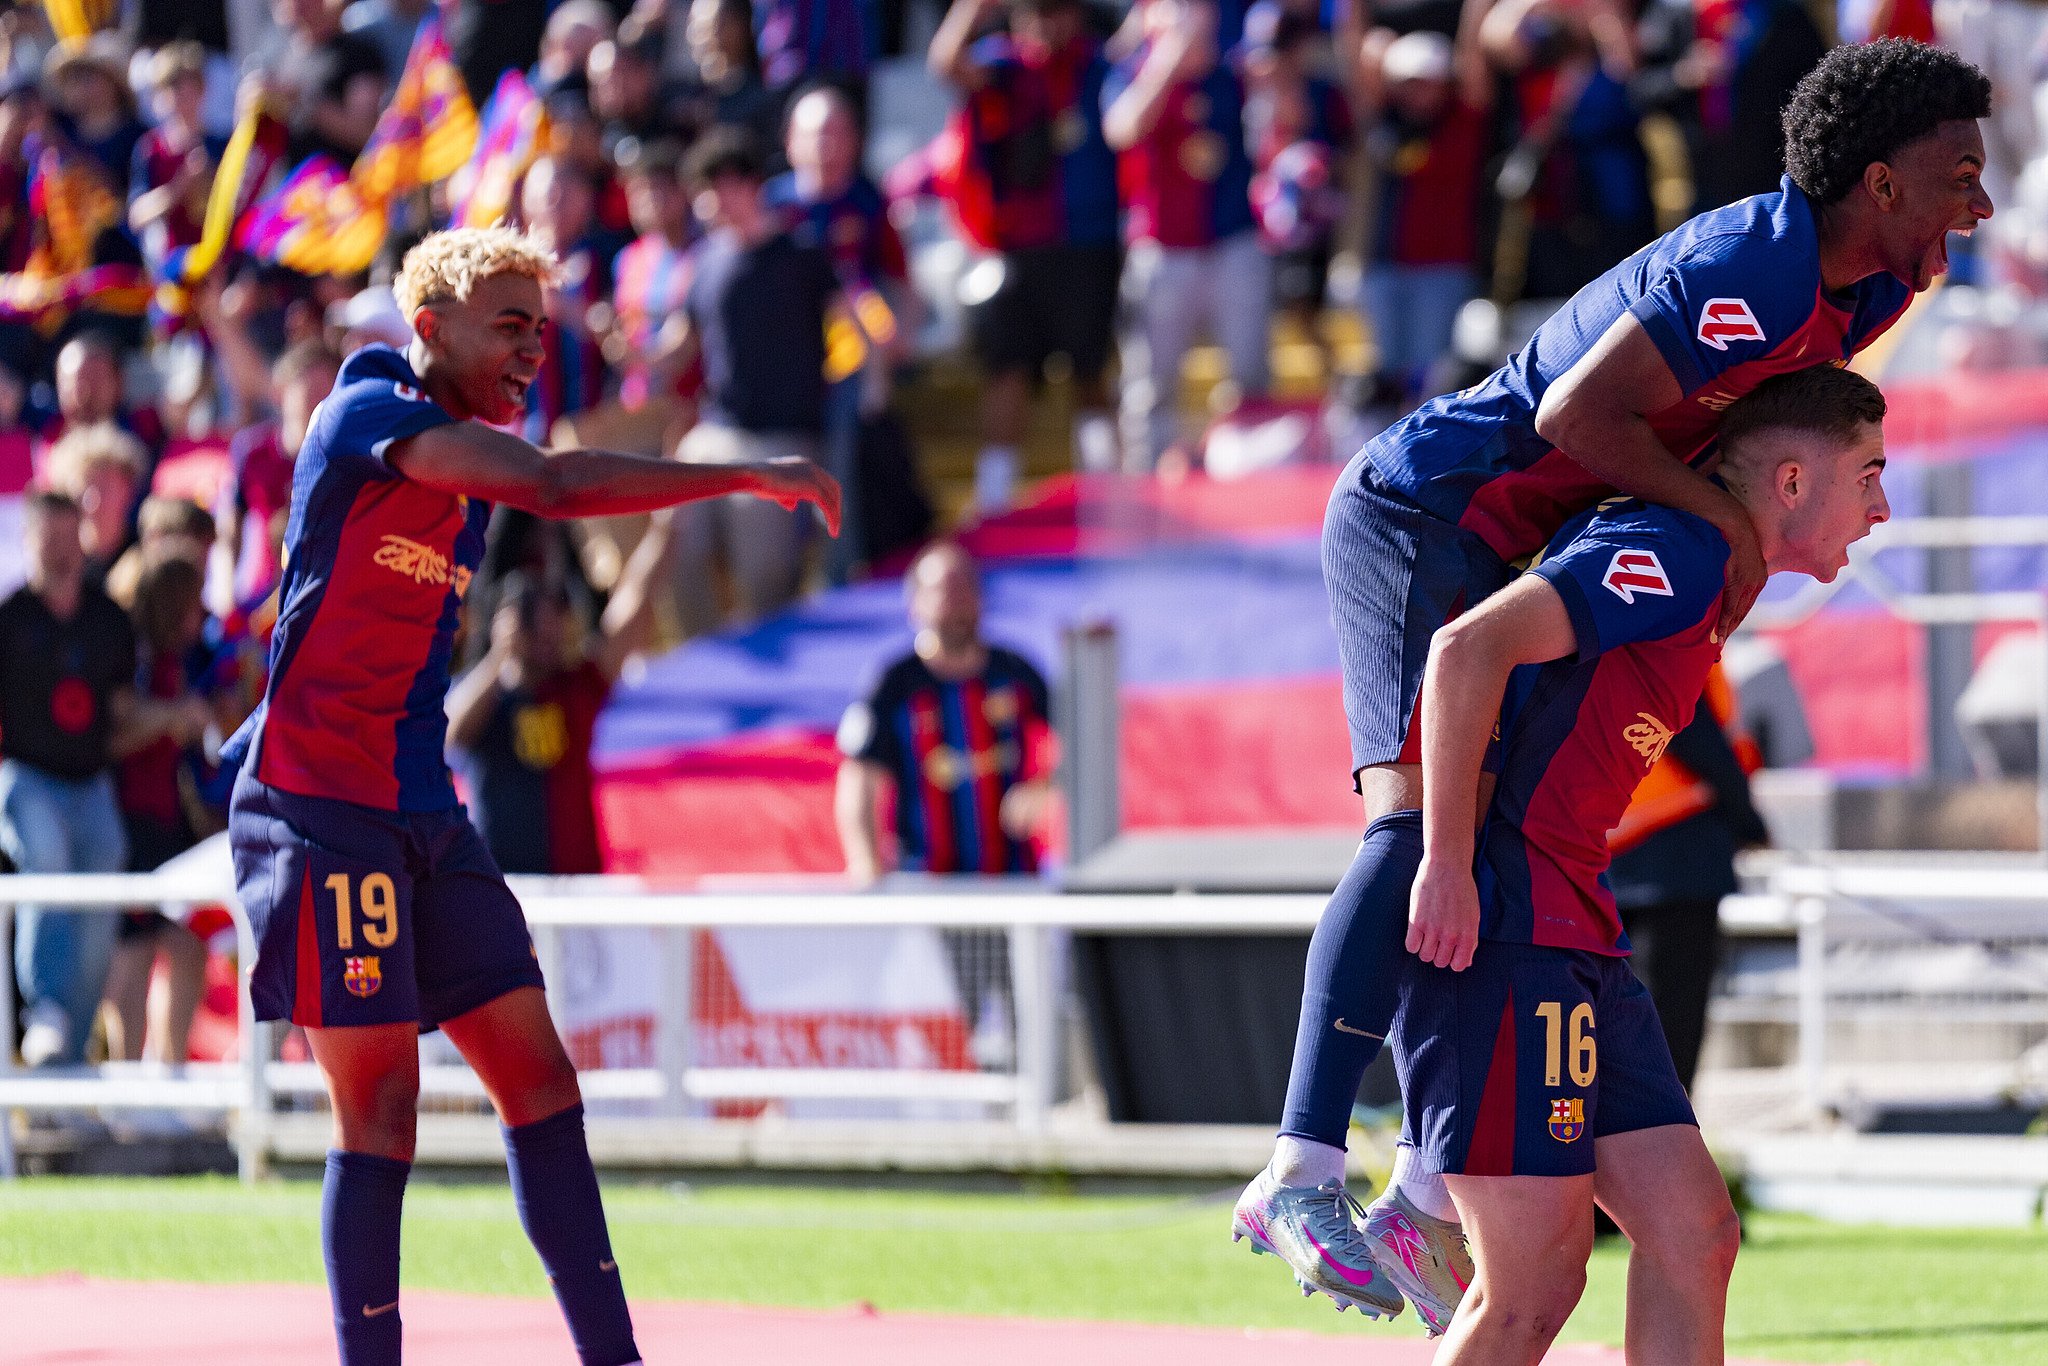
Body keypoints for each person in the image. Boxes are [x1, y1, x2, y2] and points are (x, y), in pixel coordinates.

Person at [1233, 38, 1991, 1336]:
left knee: (1679, 1228)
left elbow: (1756, 438)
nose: (1981, 203)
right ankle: (1300, 1162)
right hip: (1430, 505)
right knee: (1418, 825)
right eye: (1959, 174)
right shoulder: (1759, 262)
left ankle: (1419, 1177)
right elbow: (1583, 419)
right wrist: (1732, 526)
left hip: (1518, 557)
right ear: (1877, 182)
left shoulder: (1859, 305)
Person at [219, 224, 837, 1366]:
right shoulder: (365, 415)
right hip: (316, 805)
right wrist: (746, 472)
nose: (529, 351)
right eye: (507, 326)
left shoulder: (463, 484)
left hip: (420, 810)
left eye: (540, 332)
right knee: (384, 1117)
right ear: (429, 328)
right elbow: (556, 481)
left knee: (542, 1079)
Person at [1395, 364, 1889, 1361]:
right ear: (1791, 483)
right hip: (1504, 929)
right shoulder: (1676, 548)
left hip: (1578, 924)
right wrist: (1442, 859)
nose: (1881, 505)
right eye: (1868, 472)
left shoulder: (1713, 566)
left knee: (1693, 1234)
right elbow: (1463, 651)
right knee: (1531, 1286)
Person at [5, 492, 210, 1068]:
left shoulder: (105, 621)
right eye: (49, 538)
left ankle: (67, 1057)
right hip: (26, 777)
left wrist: (175, 715)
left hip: (92, 782)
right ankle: (44, 1009)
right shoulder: (9, 619)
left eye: (70, 537)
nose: (61, 551)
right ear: (29, 541)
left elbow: (120, 714)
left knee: (105, 897)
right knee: (43, 857)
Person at [929, 0, 1122, 507]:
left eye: (1056, 10)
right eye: (1034, 10)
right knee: (1007, 369)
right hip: (1018, 246)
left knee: (1090, 370)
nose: (1045, 22)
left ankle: (1106, 494)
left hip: (1090, 242)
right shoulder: (1005, 66)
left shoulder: (1097, 64)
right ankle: (995, 498)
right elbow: (945, 65)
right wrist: (974, 7)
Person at [665, 128, 852, 633]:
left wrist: (868, 378)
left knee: (764, 575)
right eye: (700, 192)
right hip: (715, 433)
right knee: (672, 546)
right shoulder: (703, 264)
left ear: (747, 185)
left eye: (715, 187)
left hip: (782, 439)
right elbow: (676, 347)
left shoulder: (802, 254)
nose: (706, 203)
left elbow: (853, 326)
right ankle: (707, 660)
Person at [1103, 0, 1268, 472]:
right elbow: (1123, 129)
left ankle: (1252, 481)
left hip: (1234, 242)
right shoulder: (1133, 72)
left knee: (1250, 377)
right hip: (1162, 248)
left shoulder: (1236, 72)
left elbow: (1283, 123)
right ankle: (1146, 486)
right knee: (1150, 386)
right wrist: (1168, 58)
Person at [834, 541, 1054, 882]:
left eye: (966, 587)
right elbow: (859, 777)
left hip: (1013, 883)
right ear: (915, 603)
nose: (956, 602)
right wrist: (865, 864)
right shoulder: (893, 685)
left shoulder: (1015, 673)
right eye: (943, 591)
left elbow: (1085, 736)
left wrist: (1044, 786)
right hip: (927, 886)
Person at [765, 82, 913, 578]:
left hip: (849, 365)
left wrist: (889, 349)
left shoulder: (869, 203)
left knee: (840, 470)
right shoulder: (772, 208)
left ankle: (839, 573)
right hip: (782, 366)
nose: (826, 145)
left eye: (837, 132)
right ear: (790, 142)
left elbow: (897, 283)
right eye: (815, 133)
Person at [1606, 666, 1766, 1094]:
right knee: (1669, 1034)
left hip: (1608, 850)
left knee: (1619, 1031)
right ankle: (1660, 1151)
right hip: (1679, 850)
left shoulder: (1602, 624)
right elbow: (1701, 739)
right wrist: (1750, 825)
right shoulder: (1678, 624)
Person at [1353, 28, 1487, 408]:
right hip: (1384, 264)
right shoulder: (1384, 124)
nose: (1420, 91)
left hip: (1443, 266)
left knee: (1430, 378)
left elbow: (1474, 61)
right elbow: (1358, 60)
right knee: (1387, 378)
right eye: (1410, 82)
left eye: (1429, 81)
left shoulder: (1465, 120)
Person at [218, 341, 343, 606]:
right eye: (306, 391)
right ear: (282, 392)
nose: (315, 404)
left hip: (317, 596)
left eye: (326, 393)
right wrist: (227, 595)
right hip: (254, 599)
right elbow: (231, 529)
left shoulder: (344, 461)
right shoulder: (251, 451)